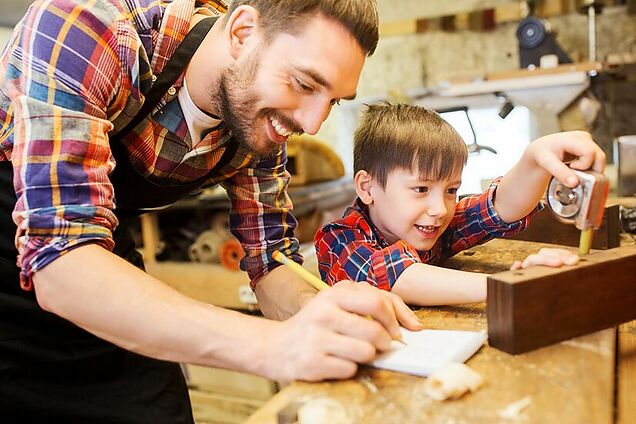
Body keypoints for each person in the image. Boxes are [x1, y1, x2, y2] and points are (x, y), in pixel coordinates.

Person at [0, 1, 423, 421]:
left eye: (332, 100)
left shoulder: (257, 120)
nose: (311, 124)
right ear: (242, 33)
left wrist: (322, 311)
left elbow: (271, 258)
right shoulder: (91, 27)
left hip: (98, 250)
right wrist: (273, 346)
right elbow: (59, 263)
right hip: (44, 249)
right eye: (303, 84)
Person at [315, 104, 606, 306]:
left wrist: (535, 159)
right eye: (420, 188)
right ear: (368, 188)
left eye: (452, 190)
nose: (440, 208)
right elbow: (395, 275)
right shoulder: (339, 238)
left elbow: (500, 207)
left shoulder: (434, 223)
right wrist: (511, 284)